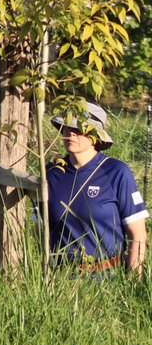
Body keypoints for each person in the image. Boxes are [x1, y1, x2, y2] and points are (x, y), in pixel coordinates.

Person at [45, 103, 146, 274]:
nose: (71, 133)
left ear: (95, 136)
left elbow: (138, 234)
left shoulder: (116, 172)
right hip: (60, 279)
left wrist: (133, 280)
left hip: (107, 277)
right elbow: (39, 229)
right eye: (66, 127)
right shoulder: (52, 173)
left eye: (79, 129)